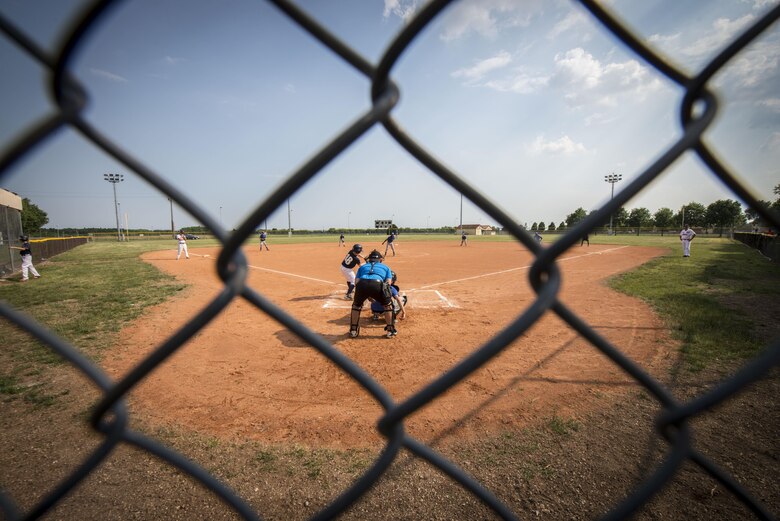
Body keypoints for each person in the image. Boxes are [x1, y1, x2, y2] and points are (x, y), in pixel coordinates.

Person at [349, 250, 397, 338]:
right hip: (377, 283)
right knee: (388, 306)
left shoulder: (362, 267)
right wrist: (383, 296)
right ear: (380, 260)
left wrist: (366, 294)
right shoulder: (385, 267)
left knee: (356, 306)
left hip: (362, 284)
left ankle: (353, 331)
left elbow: (357, 282)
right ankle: (390, 331)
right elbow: (388, 283)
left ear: (369, 259)